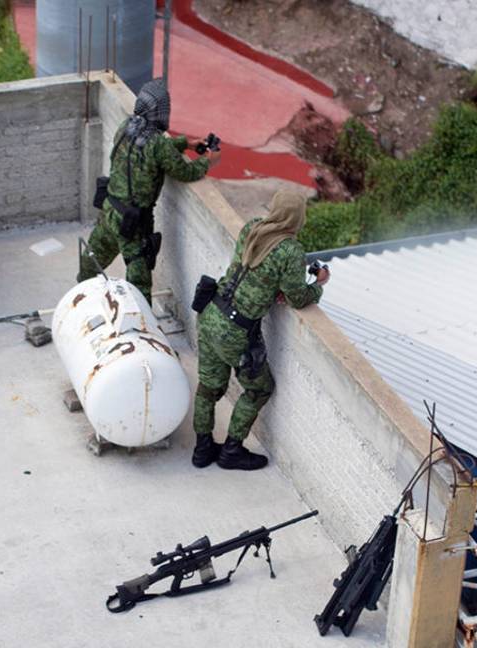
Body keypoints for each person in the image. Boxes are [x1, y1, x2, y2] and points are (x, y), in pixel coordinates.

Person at [192, 191, 330, 470]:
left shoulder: (251, 227)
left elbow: (254, 271)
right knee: (260, 389)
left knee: (208, 387)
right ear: (297, 217)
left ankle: (202, 449)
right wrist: (319, 284)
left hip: (210, 313)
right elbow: (298, 298)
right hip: (235, 332)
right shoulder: (291, 250)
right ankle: (231, 450)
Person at [77, 78, 220, 304]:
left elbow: (147, 147)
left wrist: (185, 143)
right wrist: (209, 161)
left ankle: (81, 301)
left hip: (110, 210)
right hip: (133, 224)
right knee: (139, 286)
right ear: (158, 111)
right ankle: (141, 328)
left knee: (90, 264)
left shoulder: (126, 127)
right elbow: (185, 172)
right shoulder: (159, 144)